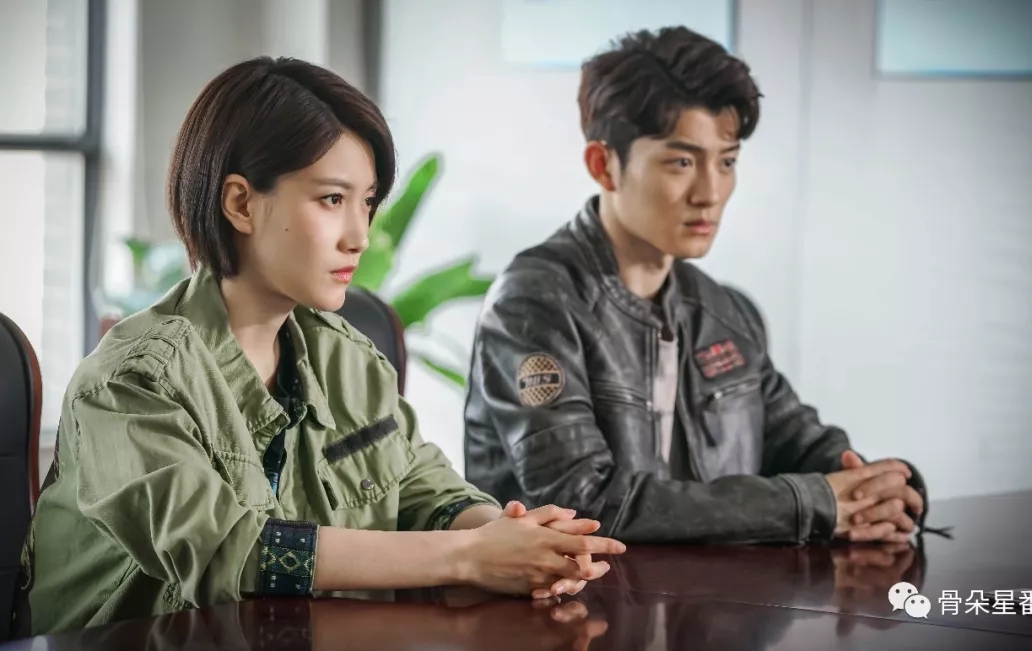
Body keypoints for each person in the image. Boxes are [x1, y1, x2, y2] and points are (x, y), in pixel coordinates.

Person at [19, 56, 625, 636]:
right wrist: (470, 556)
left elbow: (425, 489)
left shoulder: (349, 358)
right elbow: (230, 552)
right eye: (332, 199)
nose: (359, 236)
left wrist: (514, 538)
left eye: (367, 202)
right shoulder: (132, 380)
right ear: (240, 203)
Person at [463, 27, 930, 545]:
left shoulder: (723, 311)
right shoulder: (533, 305)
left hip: (712, 592)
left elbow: (799, 441)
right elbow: (583, 500)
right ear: (604, 165)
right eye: (681, 162)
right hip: (575, 592)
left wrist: (877, 489)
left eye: (726, 161)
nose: (710, 192)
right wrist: (810, 502)